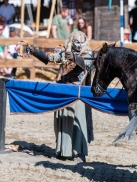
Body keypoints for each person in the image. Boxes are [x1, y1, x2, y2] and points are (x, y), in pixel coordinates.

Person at [26, 31, 94, 162]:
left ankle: (79, 153)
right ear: (71, 41)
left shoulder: (88, 54)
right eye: (76, 42)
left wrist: (75, 58)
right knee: (62, 120)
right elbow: (50, 58)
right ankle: (64, 151)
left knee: (77, 123)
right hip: (63, 92)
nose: (79, 45)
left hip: (77, 94)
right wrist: (35, 52)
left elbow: (86, 65)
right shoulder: (64, 53)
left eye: (81, 42)